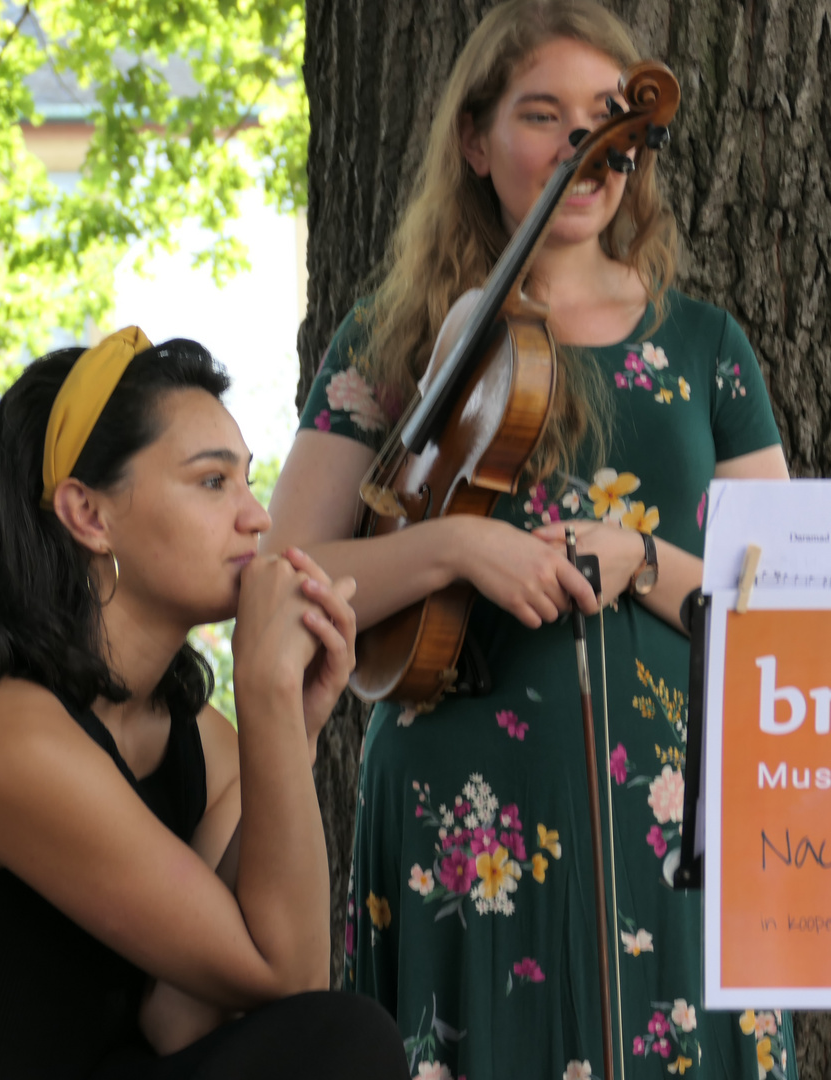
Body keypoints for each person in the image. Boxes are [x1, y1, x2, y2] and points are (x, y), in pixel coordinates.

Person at [264, 2, 796, 1077]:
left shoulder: (705, 347)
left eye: (604, 119)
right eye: (541, 115)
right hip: (465, 810)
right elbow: (288, 582)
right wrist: (460, 550)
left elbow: (781, 595)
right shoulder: (395, 335)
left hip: (679, 812)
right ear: (475, 140)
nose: (580, 148)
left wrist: (642, 559)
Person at [0, 329, 409, 1080]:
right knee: (345, 1041)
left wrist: (290, 723)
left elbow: (180, 1018)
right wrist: (266, 696)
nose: (257, 518)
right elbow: (291, 977)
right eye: (212, 482)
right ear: (89, 516)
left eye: (245, 481)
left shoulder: (204, 741)